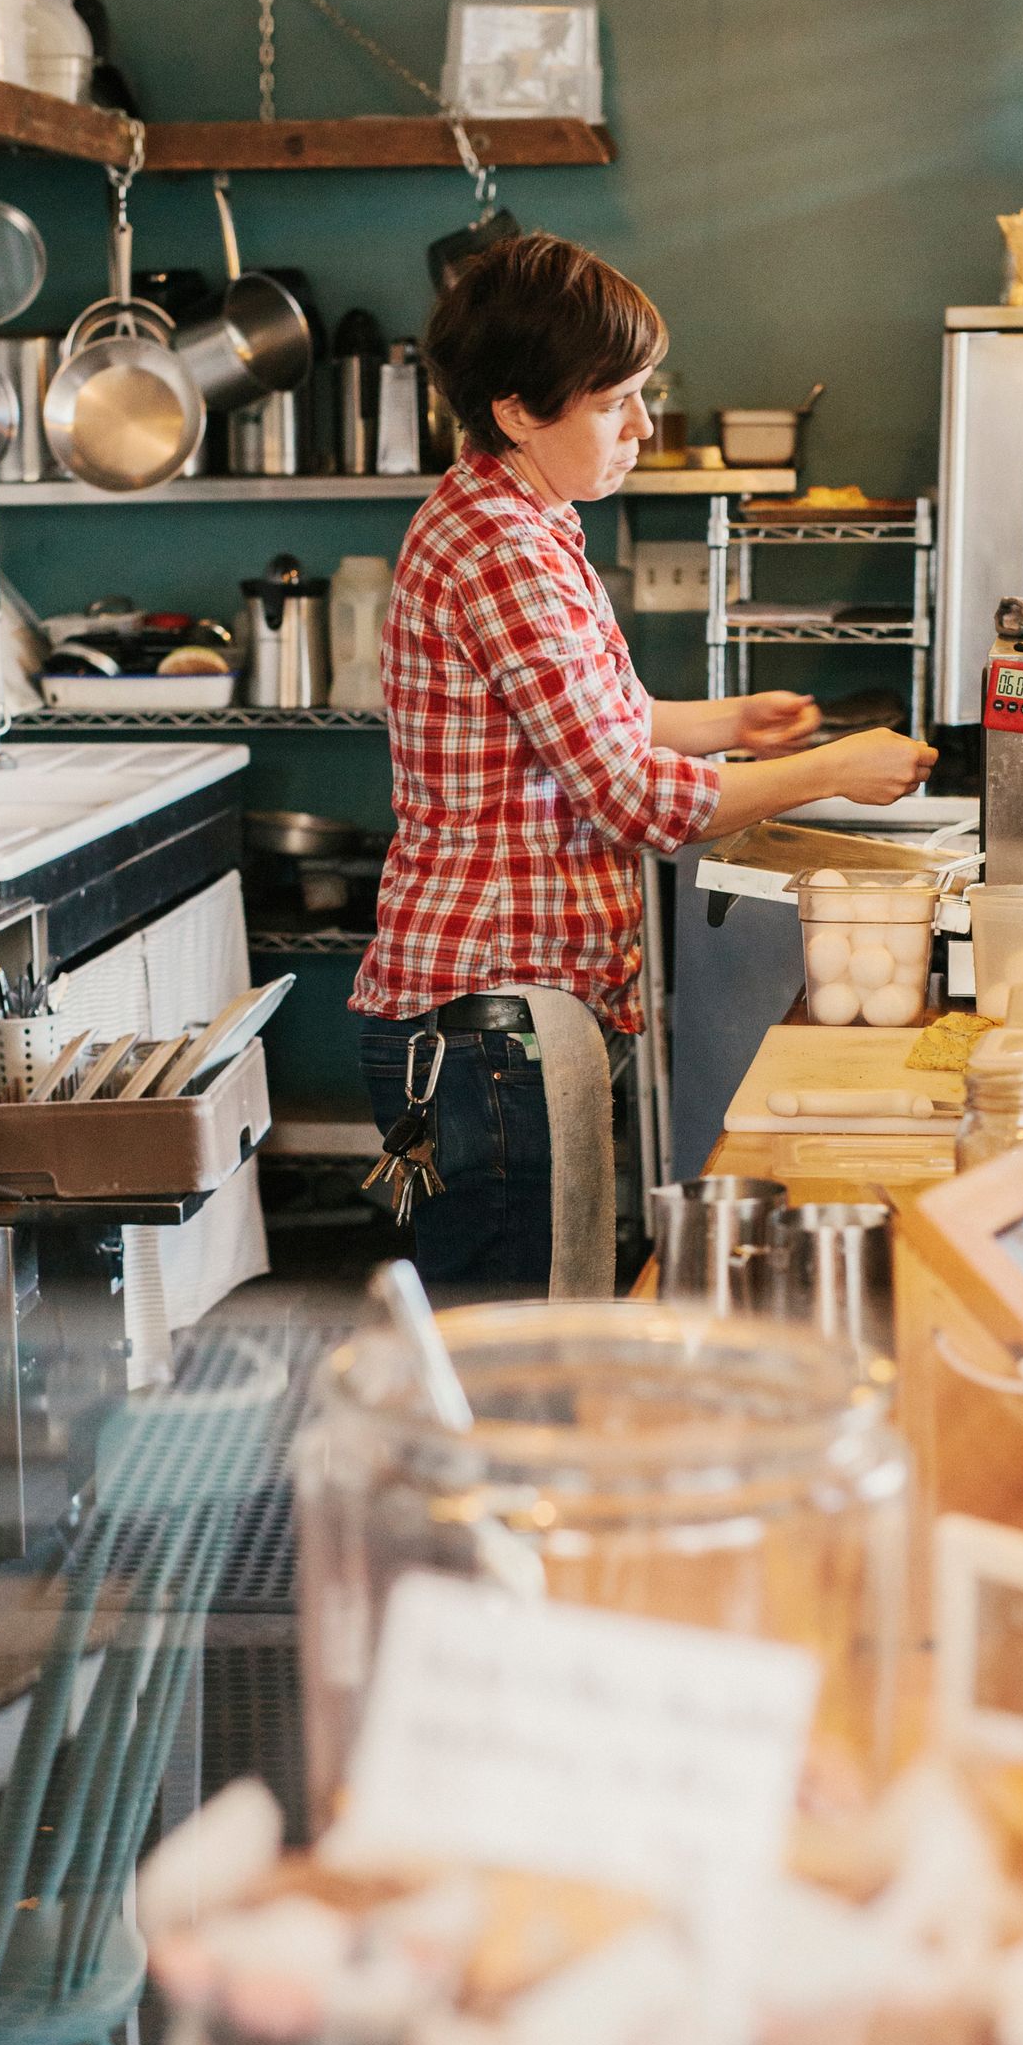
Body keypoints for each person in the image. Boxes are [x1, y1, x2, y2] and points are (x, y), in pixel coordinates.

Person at [351, 231, 936, 1299]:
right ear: (521, 409)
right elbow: (629, 797)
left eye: (643, 393)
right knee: (515, 1352)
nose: (641, 425)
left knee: (545, 1319)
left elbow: (595, 726)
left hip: (513, 1016)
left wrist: (730, 724)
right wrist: (829, 769)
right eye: (614, 400)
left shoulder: (523, 515)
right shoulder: (503, 549)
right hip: (488, 1024)